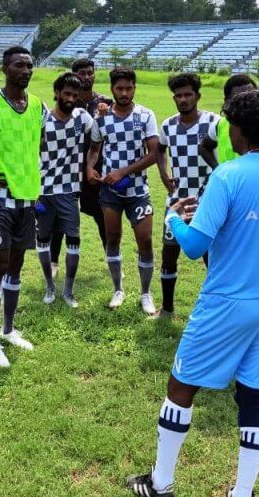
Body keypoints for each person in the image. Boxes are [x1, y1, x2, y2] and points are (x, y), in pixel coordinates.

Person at [124, 91, 259, 497]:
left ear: (241, 133)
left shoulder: (229, 176)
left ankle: (160, 483)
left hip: (228, 303)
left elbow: (195, 247)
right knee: (255, 392)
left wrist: (174, 217)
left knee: (182, 385)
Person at [0, 46, 46, 369]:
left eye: (29, 66)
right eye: (19, 65)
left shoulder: (38, 107)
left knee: (16, 266)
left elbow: (36, 143)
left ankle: (9, 329)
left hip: (28, 199)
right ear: (4, 68)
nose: (25, 71)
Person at [86, 67, 160, 315]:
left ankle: (146, 293)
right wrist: (89, 169)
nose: (124, 93)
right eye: (119, 88)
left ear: (135, 88)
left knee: (146, 241)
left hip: (138, 190)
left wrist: (123, 172)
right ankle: (118, 289)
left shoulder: (145, 115)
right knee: (113, 239)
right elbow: (94, 149)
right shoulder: (102, 118)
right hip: (110, 192)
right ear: (112, 89)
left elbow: (153, 154)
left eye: (129, 88)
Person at [155, 73, 217, 318]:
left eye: (188, 94)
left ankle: (216, 311)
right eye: (178, 95)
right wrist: (163, 172)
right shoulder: (168, 125)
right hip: (177, 201)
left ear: (197, 96)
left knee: (211, 258)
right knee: (169, 254)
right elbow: (159, 149)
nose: (183, 99)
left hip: (207, 202)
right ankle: (167, 309)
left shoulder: (213, 123)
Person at [35, 72, 95, 308]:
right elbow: (31, 152)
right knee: (43, 239)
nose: (71, 98)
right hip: (44, 191)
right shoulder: (42, 120)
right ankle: (50, 287)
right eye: (67, 93)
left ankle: (68, 291)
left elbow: (99, 135)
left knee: (74, 240)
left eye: (75, 95)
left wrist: (101, 113)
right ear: (57, 93)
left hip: (70, 191)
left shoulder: (82, 117)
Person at [198, 74, 259, 169]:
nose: (246, 103)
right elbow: (204, 147)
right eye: (238, 99)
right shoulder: (219, 124)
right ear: (226, 102)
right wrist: (217, 169)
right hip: (229, 182)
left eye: (251, 96)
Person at [70, 58, 113, 261]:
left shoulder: (106, 103)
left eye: (90, 73)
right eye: (82, 73)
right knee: (63, 215)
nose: (86, 77)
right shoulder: (67, 102)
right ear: (74, 76)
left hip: (98, 167)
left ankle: (111, 255)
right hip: (69, 166)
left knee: (101, 214)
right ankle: (53, 261)